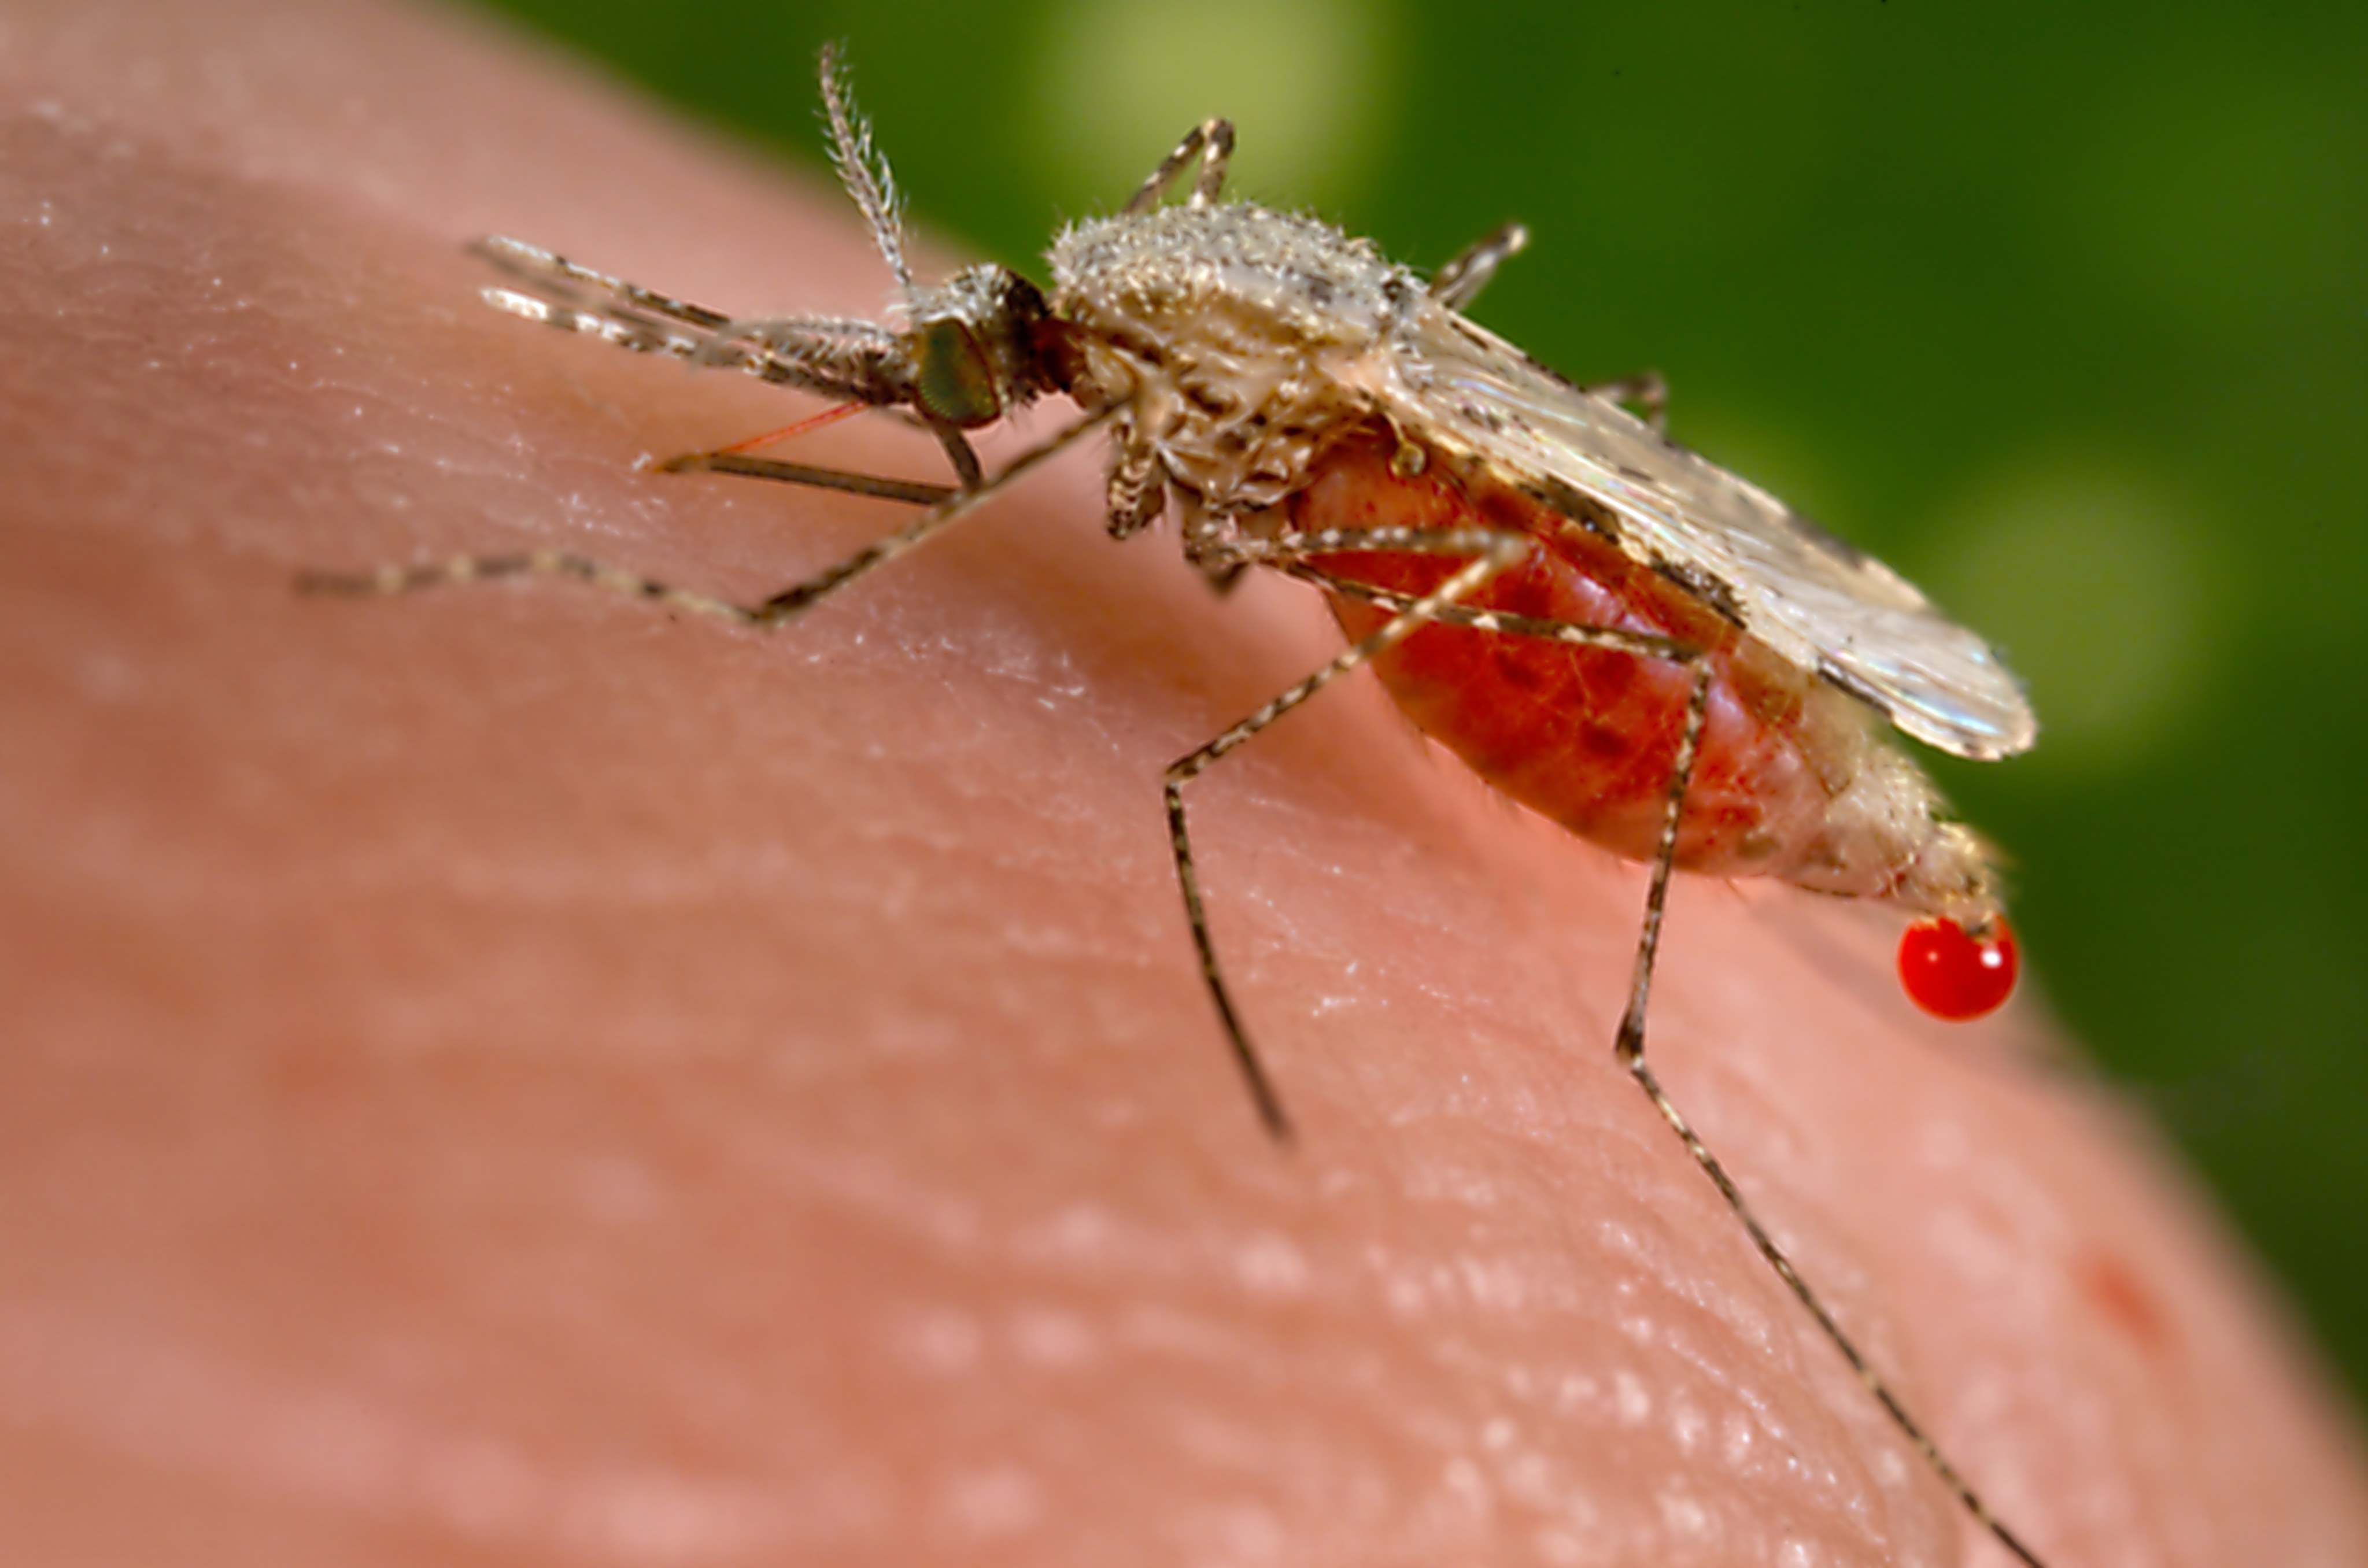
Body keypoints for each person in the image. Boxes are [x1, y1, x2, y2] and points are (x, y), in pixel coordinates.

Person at [5, 0, 2363, 1560]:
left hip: (1577, 613)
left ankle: (1752, 1202)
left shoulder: (1145, 339)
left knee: (1468, 786)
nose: (955, 393)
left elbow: (1092, 442)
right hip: (1469, 521)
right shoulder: (1135, 309)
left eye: (967, 366)